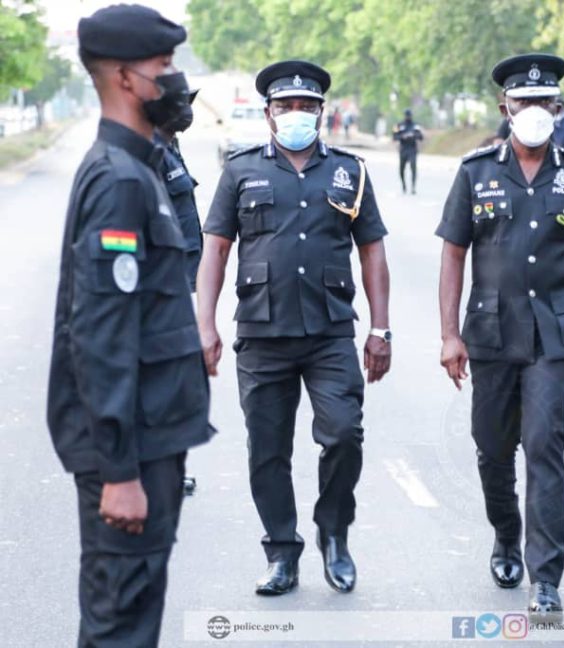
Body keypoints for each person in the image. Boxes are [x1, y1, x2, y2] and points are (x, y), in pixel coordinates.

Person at [48, 5, 215, 645]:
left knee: (130, 616)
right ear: (125, 78)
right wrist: (119, 472)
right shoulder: (120, 180)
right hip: (133, 448)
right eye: (163, 66)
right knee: (121, 623)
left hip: (148, 435)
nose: (173, 80)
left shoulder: (137, 168)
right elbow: (101, 332)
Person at [197, 60, 392, 597]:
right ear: (269, 114)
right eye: (285, 107)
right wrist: (204, 325)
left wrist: (382, 329)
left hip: (330, 332)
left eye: (306, 106)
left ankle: (334, 532)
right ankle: (282, 552)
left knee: (344, 435)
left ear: (321, 113)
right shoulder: (239, 171)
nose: (296, 115)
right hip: (261, 334)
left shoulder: (349, 171)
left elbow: (372, 251)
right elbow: (215, 248)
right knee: (267, 449)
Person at [436, 53, 564, 620]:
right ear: (504, 107)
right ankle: (506, 535)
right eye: (522, 102)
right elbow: (454, 255)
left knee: (544, 445)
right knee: (492, 448)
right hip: (488, 332)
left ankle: (546, 576)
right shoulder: (475, 171)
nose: (533, 111)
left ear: (557, 108)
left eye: (543, 102)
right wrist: (449, 335)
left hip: (554, 338)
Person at [155, 88, 202, 290]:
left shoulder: (171, 147)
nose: (186, 110)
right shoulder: (151, 153)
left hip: (181, 271)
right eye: (179, 104)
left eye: (188, 103)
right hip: (164, 277)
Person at [392, 108, 423, 194]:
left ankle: (413, 187)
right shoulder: (399, 125)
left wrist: (412, 135)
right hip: (403, 149)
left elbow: (420, 136)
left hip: (412, 149)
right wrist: (402, 136)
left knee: (413, 168)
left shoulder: (415, 125)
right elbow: (394, 136)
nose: (408, 117)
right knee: (401, 169)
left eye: (409, 116)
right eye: (407, 115)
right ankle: (404, 185)